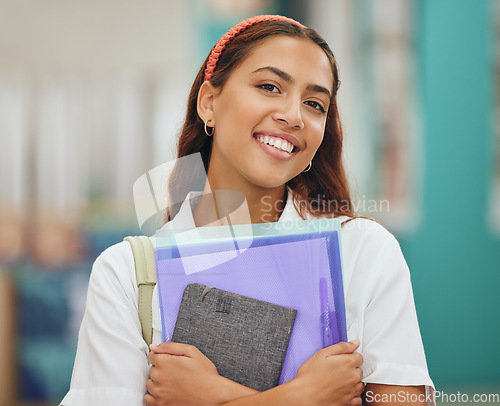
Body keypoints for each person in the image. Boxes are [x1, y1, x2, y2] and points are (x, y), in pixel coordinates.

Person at [61, 15, 434, 406]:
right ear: (209, 102)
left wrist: (211, 397)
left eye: (314, 104)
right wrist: (306, 396)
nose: (294, 116)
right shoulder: (128, 273)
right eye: (270, 86)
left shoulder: (363, 251)